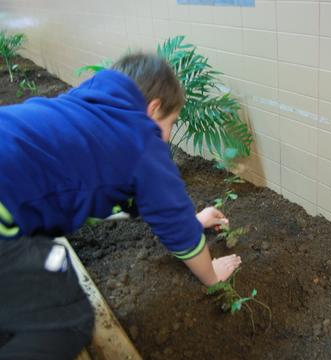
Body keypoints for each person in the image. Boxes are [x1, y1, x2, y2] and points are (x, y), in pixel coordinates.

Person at [0, 52, 242, 359]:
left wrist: (193, 221)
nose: (166, 137)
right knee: (66, 321)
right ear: (154, 109)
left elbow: (132, 196)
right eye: (171, 123)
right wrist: (211, 275)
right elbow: (173, 222)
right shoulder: (143, 140)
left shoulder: (91, 103)